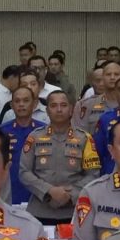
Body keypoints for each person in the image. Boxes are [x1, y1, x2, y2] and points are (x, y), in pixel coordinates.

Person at [14, 89, 85, 226]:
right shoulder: (34, 137)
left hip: (74, 212)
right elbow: (24, 172)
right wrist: (48, 191)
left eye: (63, 105)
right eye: (53, 105)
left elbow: (93, 174)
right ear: (47, 111)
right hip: (39, 211)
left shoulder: (84, 139)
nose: (59, 110)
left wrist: (70, 194)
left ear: (71, 109)